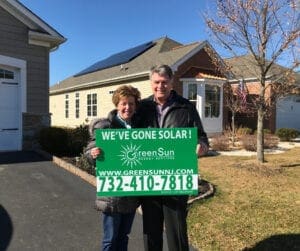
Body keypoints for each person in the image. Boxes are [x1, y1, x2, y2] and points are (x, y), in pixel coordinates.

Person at [136, 64, 209, 251]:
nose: (160, 86)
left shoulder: (186, 107)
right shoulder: (141, 108)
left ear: (171, 82)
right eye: (156, 82)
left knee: (177, 231)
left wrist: (202, 146)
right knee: (151, 231)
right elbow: (123, 128)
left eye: (164, 82)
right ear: (150, 83)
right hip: (148, 179)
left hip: (176, 179)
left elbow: (201, 136)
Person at [85, 85, 141, 251]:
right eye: (124, 103)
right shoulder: (106, 128)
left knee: (123, 238)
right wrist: (92, 154)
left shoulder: (140, 128)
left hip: (131, 193)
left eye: (131, 103)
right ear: (117, 104)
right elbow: (89, 151)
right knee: (110, 240)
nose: (127, 107)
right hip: (112, 195)